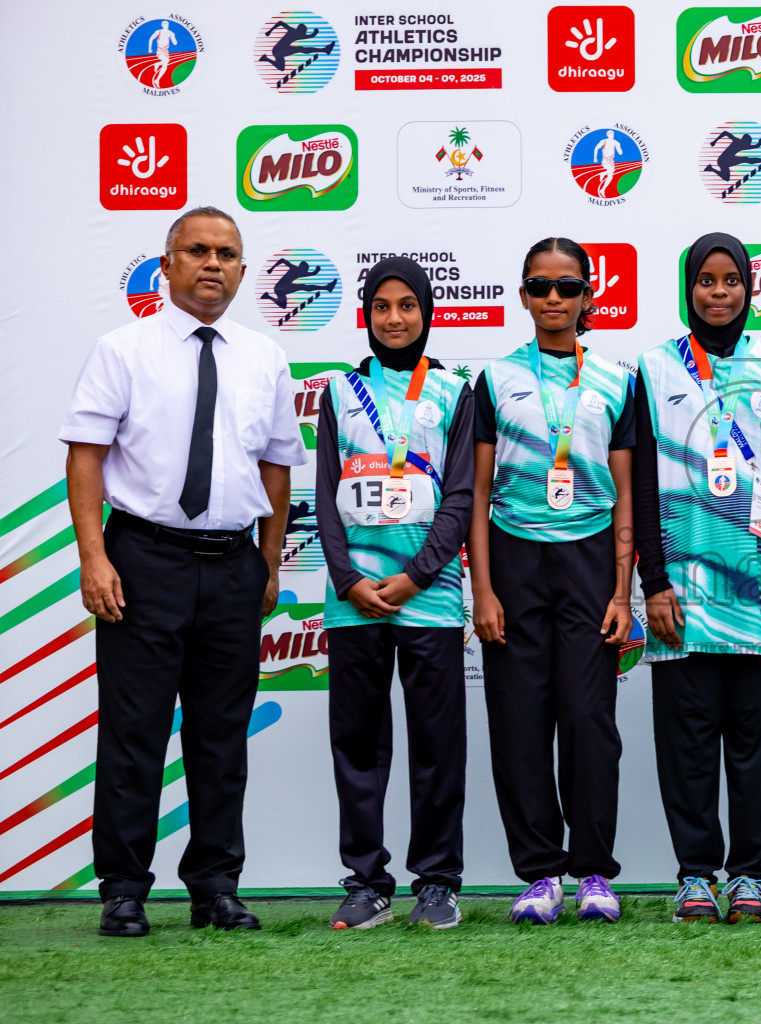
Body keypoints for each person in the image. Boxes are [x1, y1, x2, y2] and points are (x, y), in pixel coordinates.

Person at [60, 207, 306, 936]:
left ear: (241, 268)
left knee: (221, 735)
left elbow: (275, 465)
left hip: (232, 566)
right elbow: (85, 456)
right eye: (195, 251)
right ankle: (125, 889)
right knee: (134, 733)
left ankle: (215, 887)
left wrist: (267, 562)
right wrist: (94, 557)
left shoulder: (265, 358)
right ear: (165, 266)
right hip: (143, 562)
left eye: (226, 253)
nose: (212, 264)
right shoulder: (122, 349)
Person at [634, 232, 761, 924]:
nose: (718, 292)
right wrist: (652, 581)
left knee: (756, 746)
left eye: (729, 279)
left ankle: (749, 875)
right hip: (681, 589)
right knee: (687, 744)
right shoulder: (652, 369)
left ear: (749, 288)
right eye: (705, 280)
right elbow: (642, 481)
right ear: (688, 289)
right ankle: (696, 873)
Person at [468, 238, 636, 924]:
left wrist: (623, 590)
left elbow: (626, 493)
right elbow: (476, 494)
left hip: (592, 558)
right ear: (524, 295)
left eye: (567, 288)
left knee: (590, 721)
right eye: (541, 287)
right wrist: (482, 589)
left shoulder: (618, 380)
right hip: (514, 559)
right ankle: (540, 874)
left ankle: (593, 870)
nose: (554, 300)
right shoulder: (496, 378)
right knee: (519, 722)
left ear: (588, 295)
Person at [314, 257, 474, 930]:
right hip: (353, 603)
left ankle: (436, 882)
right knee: (358, 742)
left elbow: (461, 497)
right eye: (382, 306)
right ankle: (367, 880)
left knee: (437, 744)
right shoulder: (340, 392)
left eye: (408, 304)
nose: (396, 318)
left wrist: (416, 576)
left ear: (427, 310)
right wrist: (349, 579)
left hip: (428, 598)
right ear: (367, 315)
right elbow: (323, 496)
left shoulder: (454, 392)